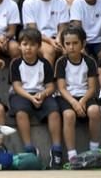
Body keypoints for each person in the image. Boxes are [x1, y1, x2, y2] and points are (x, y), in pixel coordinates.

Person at [8, 27, 64, 168]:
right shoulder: (16, 63)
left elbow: (51, 86)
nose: (28, 48)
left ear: (39, 46)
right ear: (20, 46)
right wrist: (31, 98)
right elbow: (17, 87)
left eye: (32, 45)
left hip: (41, 93)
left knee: (54, 112)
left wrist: (43, 94)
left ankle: (56, 150)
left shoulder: (44, 64)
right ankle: (29, 149)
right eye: (25, 44)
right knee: (21, 113)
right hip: (22, 94)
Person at [55, 26, 101, 164]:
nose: (71, 47)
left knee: (94, 110)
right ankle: (72, 154)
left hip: (85, 96)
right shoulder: (61, 62)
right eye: (68, 44)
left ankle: (94, 149)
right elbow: (62, 88)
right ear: (63, 45)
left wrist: (82, 101)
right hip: (67, 97)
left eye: (75, 43)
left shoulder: (89, 61)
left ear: (83, 44)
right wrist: (75, 103)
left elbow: (92, 88)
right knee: (69, 115)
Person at [21, 0, 70, 65]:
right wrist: (50, 41)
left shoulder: (61, 2)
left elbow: (63, 27)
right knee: (49, 51)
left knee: (72, 50)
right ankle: (48, 80)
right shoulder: (29, 3)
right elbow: (33, 30)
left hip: (58, 37)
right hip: (36, 39)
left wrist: (58, 39)